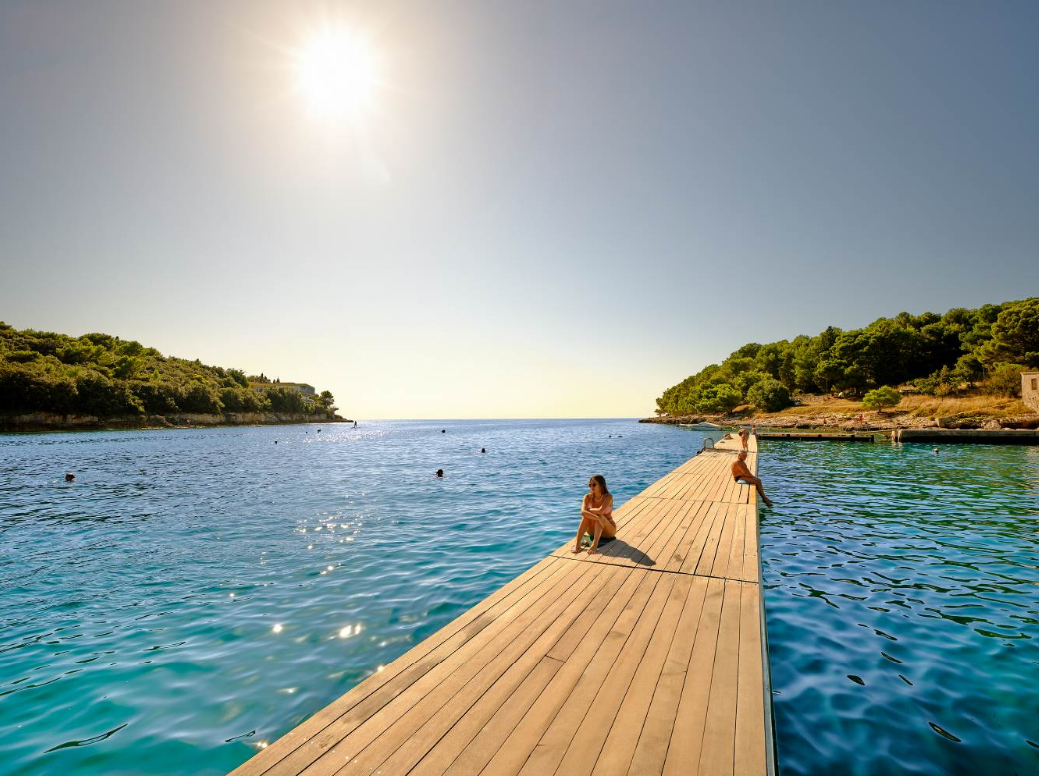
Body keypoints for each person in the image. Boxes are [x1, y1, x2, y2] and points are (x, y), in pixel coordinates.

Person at [572, 475, 617, 555]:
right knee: (585, 517)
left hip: (608, 530)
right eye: (590, 485)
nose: (591, 487)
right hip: (593, 531)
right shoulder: (587, 497)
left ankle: (594, 545)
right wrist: (596, 518)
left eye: (594, 485)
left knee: (598, 515)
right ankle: (577, 544)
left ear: (601, 485)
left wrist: (590, 511)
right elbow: (582, 512)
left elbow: (600, 511)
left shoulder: (608, 497)